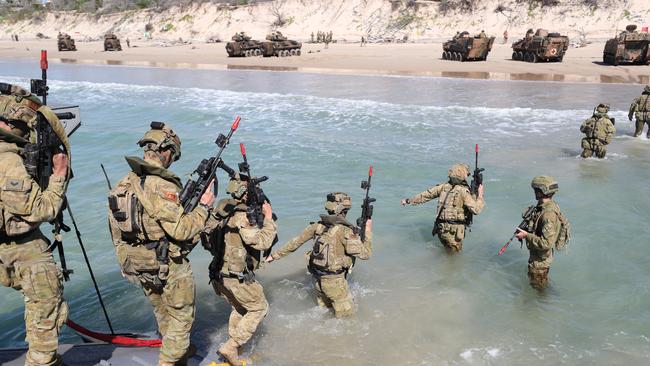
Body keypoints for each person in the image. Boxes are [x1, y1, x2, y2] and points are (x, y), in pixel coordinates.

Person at [107, 122, 214, 366]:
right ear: (165, 150)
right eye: (173, 155)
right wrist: (205, 207)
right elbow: (181, 229)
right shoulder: (161, 184)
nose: (172, 161)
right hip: (167, 265)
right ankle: (170, 360)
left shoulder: (123, 184)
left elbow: (115, 231)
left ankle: (176, 357)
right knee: (180, 321)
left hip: (138, 262)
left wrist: (126, 263)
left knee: (162, 314)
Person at [0, 85, 70, 366]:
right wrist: (59, 175)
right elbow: (43, 209)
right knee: (46, 306)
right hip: (19, 245)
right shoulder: (8, 160)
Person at [207, 175, 277, 366]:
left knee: (240, 307)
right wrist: (268, 219)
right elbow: (262, 242)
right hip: (236, 278)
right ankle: (231, 346)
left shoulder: (222, 210)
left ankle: (234, 352)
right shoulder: (243, 216)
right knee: (259, 308)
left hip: (218, 276)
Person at [266, 192, 372, 317]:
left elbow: (295, 242)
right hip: (335, 283)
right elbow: (366, 254)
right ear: (345, 209)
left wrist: (274, 256)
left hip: (317, 280)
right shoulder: (345, 231)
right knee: (347, 318)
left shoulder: (318, 226)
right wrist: (368, 230)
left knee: (324, 314)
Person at [400, 163, 484, 252]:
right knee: (453, 258)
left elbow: (426, 195)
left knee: (447, 253)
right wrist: (480, 195)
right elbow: (476, 210)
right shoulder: (463, 191)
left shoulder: (443, 187)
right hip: (454, 232)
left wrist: (408, 200)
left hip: (441, 229)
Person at [515, 176, 569, 290]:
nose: (534, 192)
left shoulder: (548, 215)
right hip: (541, 259)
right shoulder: (549, 206)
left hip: (539, 263)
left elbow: (546, 243)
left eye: (536, 190)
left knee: (538, 289)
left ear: (542, 191)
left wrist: (526, 235)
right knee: (541, 285)